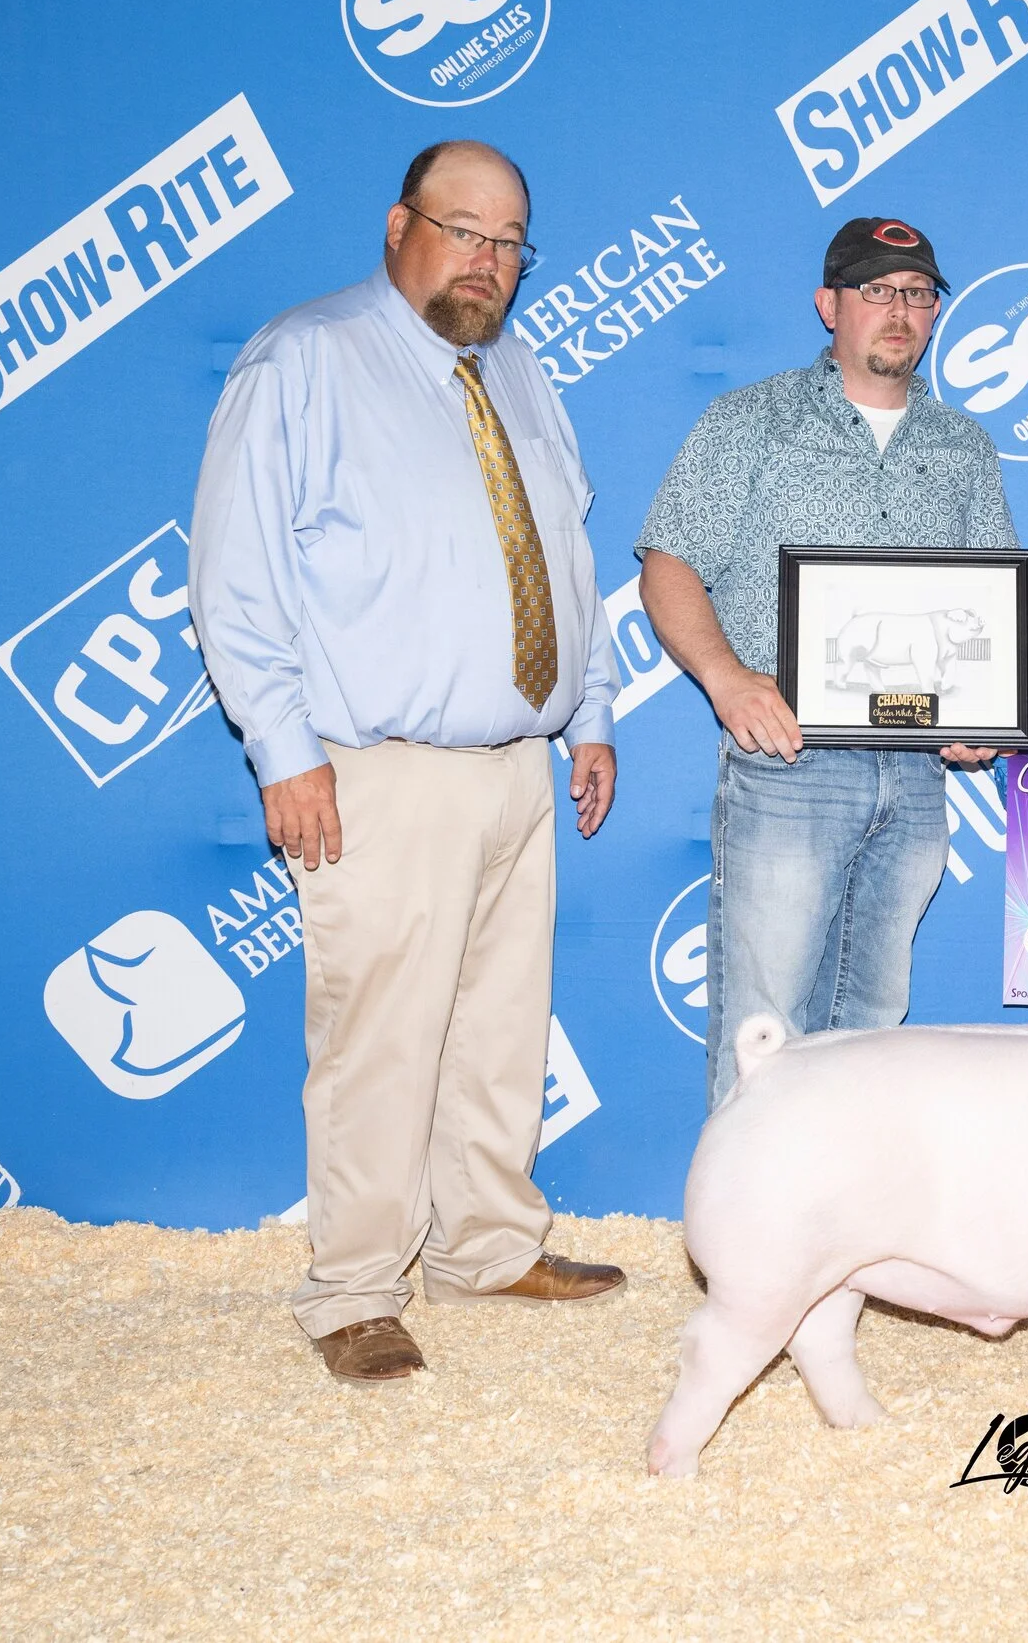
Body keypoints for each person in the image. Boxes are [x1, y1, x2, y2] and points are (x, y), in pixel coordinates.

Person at [190, 141, 625, 1384]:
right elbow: (234, 573)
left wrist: (591, 709)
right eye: (463, 230)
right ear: (398, 227)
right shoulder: (304, 357)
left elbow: (565, 553)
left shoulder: (520, 370)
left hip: (517, 760)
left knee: (499, 1028)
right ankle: (353, 1289)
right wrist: (284, 752)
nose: (487, 260)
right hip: (376, 765)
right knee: (380, 1036)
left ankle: (485, 1244)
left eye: (510, 243)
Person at [637, 218, 1013, 1110]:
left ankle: (846, 1203)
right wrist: (728, 678)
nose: (901, 310)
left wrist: (982, 716)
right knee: (765, 1029)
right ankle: (745, 1203)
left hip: (915, 776)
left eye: (918, 293)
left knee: (872, 1030)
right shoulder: (749, 420)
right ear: (828, 305)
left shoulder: (965, 446)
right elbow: (668, 563)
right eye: (877, 290)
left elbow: (985, 600)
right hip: (787, 763)